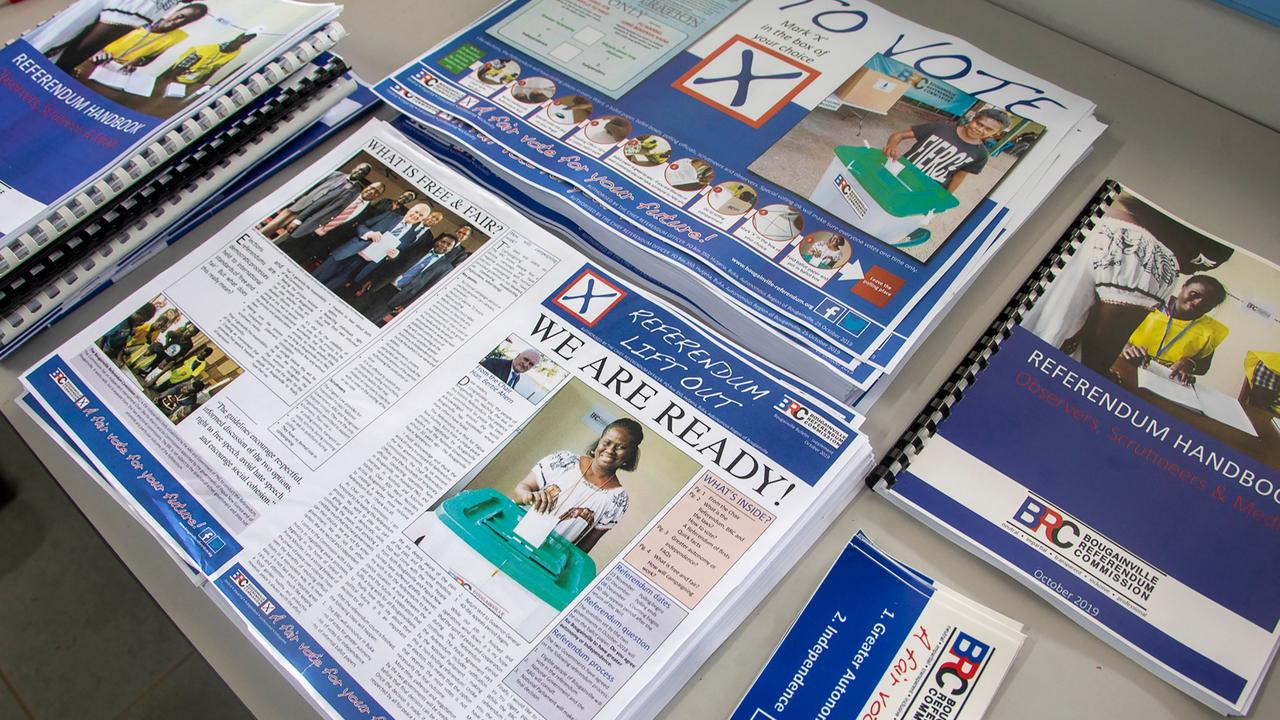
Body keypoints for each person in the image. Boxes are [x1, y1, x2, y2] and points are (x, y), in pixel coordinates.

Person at [512, 419, 644, 552]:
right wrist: (527, 496)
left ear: (630, 455)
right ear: (599, 442)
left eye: (621, 447)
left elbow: (584, 548)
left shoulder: (618, 499)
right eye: (607, 442)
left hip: (546, 560)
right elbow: (520, 490)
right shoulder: (564, 460)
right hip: (511, 535)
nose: (610, 450)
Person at [1119, 275, 1229, 385]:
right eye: (1194, 294)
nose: (1198, 302)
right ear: (1183, 287)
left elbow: (1203, 367)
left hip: (1164, 382)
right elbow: (1111, 329)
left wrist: (1189, 363)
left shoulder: (1211, 330)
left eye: (1208, 302)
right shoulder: (1148, 302)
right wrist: (1124, 346)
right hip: (1123, 366)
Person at [311, 203, 434, 292]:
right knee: (315, 278)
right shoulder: (390, 216)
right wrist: (369, 233)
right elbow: (362, 225)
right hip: (348, 253)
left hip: (361, 267)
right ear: (410, 209)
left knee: (328, 289)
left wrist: (394, 256)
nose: (416, 215)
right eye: (416, 211)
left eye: (420, 215)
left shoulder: (412, 236)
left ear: (422, 219)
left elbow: (399, 256)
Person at [882, 108, 1009, 193]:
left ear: (996, 133)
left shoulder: (981, 155)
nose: (980, 130)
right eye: (979, 124)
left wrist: (945, 197)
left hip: (928, 189)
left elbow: (959, 177)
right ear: (973, 119)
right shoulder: (941, 127)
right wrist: (892, 146)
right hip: (900, 173)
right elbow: (899, 135)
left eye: (988, 129)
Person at [74, 4, 209, 79]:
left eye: (187, 21)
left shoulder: (178, 36)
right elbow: (89, 36)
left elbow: (150, 59)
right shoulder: (141, 18)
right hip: (90, 59)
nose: (179, 22)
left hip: (114, 73)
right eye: (180, 16)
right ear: (175, 11)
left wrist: (139, 60)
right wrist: (97, 49)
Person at [259, 163, 374, 238]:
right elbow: (312, 185)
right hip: (302, 203)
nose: (359, 173)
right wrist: (297, 198)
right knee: (274, 224)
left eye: (363, 173)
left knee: (286, 235)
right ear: (354, 168)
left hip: (313, 214)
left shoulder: (355, 190)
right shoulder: (336, 174)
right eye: (359, 170)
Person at [364, 234, 460, 321]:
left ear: (451, 249)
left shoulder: (446, 268)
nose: (444, 245)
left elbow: (428, 289)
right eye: (443, 242)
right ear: (437, 241)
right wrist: (373, 279)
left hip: (398, 296)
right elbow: (392, 264)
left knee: (369, 320)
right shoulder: (418, 249)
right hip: (381, 284)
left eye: (449, 245)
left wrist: (407, 305)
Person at [159, 29, 259, 88]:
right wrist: (169, 84)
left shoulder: (235, 53)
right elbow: (181, 66)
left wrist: (200, 85)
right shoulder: (207, 49)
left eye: (247, 40)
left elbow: (214, 69)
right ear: (239, 36)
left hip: (191, 83)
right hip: (174, 79)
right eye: (244, 38)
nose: (244, 41)